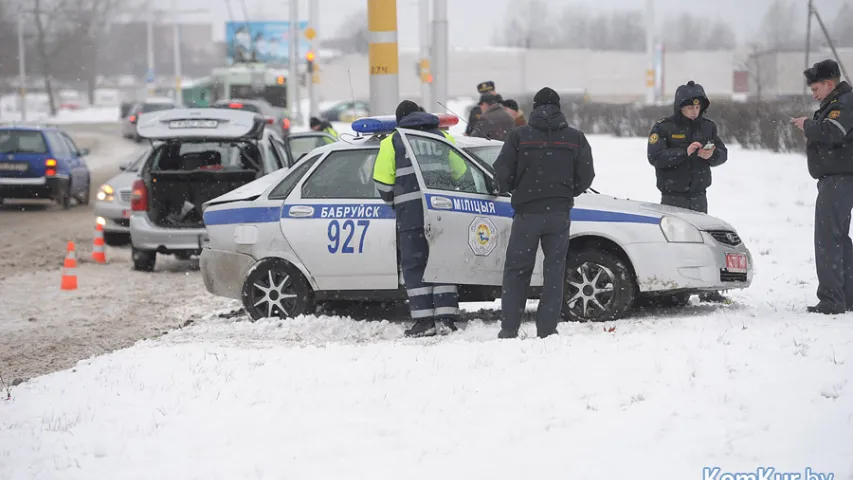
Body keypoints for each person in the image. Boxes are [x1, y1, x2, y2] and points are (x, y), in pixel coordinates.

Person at [492, 87, 595, 339]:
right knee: (554, 271)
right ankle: (547, 330)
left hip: (527, 214)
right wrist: (566, 192)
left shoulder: (519, 136)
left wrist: (516, 186)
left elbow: (502, 175)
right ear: (558, 108)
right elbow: (587, 176)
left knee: (517, 271)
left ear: (535, 108)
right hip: (559, 214)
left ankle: (509, 328)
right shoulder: (575, 137)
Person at [372, 100, 467, 337]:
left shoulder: (393, 141)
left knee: (415, 266)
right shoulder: (442, 138)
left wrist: (396, 200)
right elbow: (463, 173)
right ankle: (445, 319)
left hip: (411, 214)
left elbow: (382, 182)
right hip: (442, 214)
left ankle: (424, 322)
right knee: (442, 264)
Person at [647, 80, 729, 303]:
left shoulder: (707, 127)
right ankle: (675, 291)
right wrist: (684, 152)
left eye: (697, 107)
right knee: (675, 244)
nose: (694, 111)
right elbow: (655, 157)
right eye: (690, 107)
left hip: (698, 195)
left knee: (704, 242)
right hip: (674, 196)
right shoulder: (664, 127)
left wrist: (710, 155)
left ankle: (708, 289)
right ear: (679, 106)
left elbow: (722, 153)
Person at [790, 59, 853, 314]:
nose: (814, 95)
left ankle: (831, 299)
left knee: (828, 239)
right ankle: (846, 296)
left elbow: (831, 131)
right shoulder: (837, 102)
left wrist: (807, 124)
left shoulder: (843, 104)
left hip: (839, 179)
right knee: (839, 239)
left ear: (829, 84)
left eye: (816, 89)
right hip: (838, 178)